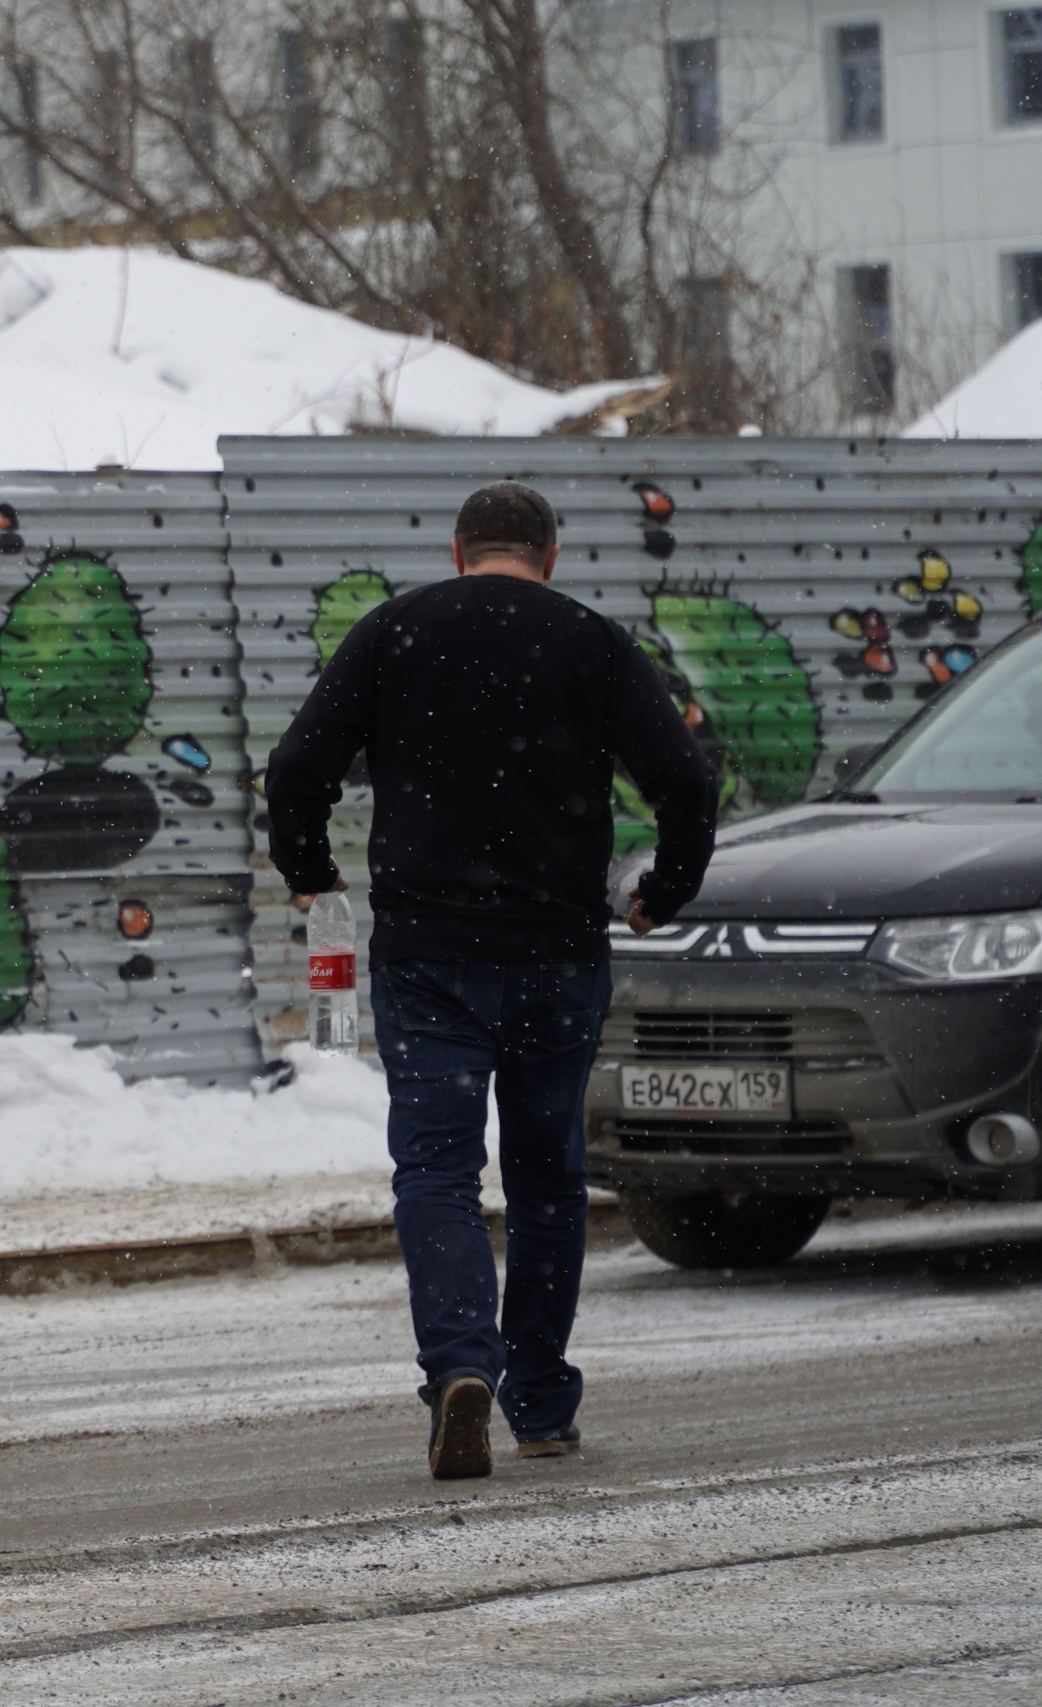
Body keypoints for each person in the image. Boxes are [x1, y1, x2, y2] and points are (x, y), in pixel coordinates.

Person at [263, 482, 716, 1480]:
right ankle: (542, 1400)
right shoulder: (590, 640)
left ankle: (459, 1368)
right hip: (557, 954)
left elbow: (297, 767)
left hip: (430, 957)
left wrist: (307, 871)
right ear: (548, 556)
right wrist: (665, 890)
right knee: (547, 1176)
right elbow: (685, 778)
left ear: (458, 548)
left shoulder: (393, 632)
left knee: (436, 1173)